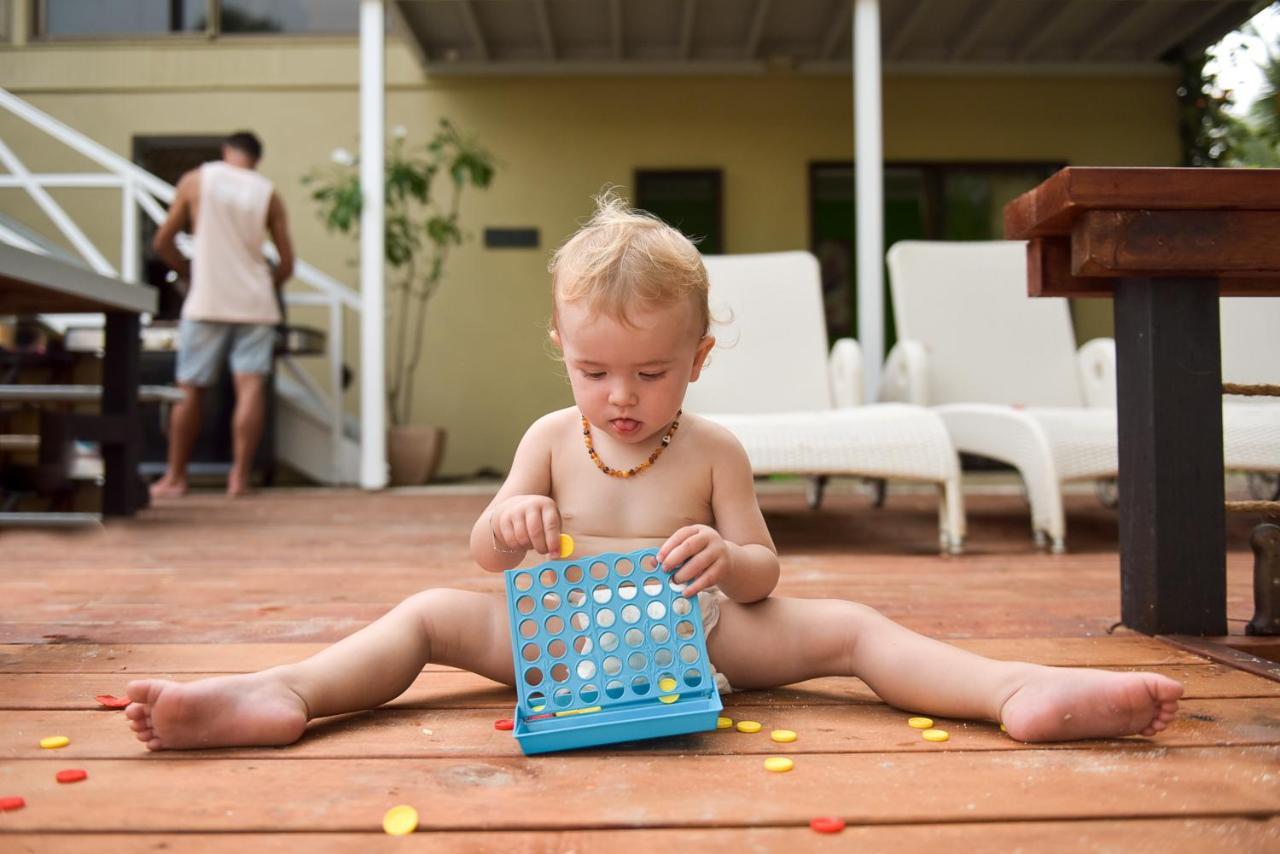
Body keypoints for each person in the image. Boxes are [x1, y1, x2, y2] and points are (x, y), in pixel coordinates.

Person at [122, 194, 1181, 751]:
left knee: (854, 627)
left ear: (698, 360)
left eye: (649, 371)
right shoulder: (548, 433)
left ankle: (1017, 689)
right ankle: (279, 690)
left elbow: (764, 569)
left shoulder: (712, 448)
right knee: (423, 617)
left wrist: (727, 555)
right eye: (592, 369)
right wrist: (516, 518)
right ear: (561, 354)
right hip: (558, 629)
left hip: (699, 629)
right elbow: (483, 548)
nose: (618, 396)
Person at [149, 131, 294, 499]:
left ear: (226, 151)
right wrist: (264, 282)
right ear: (256, 159)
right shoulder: (268, 193)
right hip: (255, 303)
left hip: (208, 297)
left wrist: (186, 271)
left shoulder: (197, 180)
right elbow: (287, 263)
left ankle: (176, 478)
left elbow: (162, 241)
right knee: (250, 387)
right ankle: (239, 479)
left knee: (189, 388)